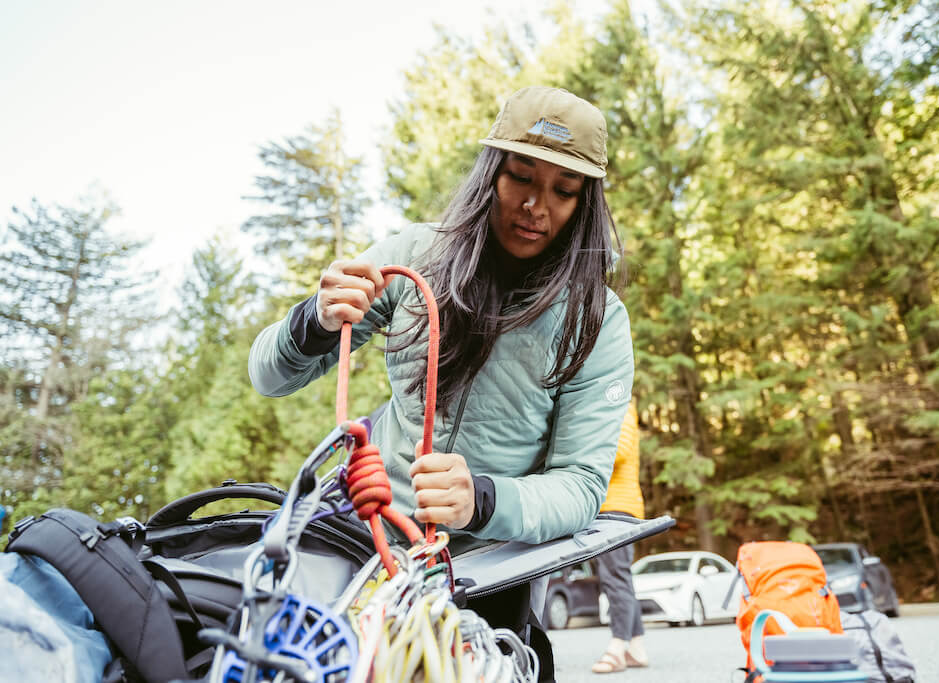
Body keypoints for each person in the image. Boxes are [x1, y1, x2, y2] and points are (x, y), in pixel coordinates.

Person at [248, 85, 634, 680]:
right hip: (367, 552)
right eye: (521, 177)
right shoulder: (414, 256)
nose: (537, 206)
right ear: (490, 174)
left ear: (585, 203)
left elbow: (581, 486)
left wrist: (482, 499)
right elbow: (267, 377)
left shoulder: (597, 319)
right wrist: (316, 320)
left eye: (564, 190)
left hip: (491, 573)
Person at [591, 402, 649, 673]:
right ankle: (635, 647)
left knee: (615, 578)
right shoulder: (614, 406)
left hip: (618, 507)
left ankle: (618, 644)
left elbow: (619, 452)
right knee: (620, 577)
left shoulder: (621, 404)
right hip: (612, 506)